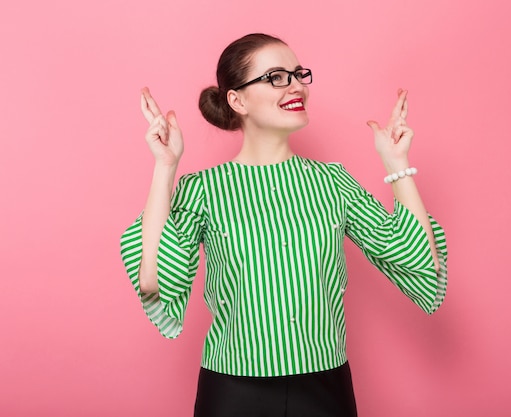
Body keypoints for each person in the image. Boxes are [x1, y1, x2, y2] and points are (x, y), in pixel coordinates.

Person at [120, 33, 447, 417]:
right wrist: (166, 165)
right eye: (276, 76)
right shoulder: (203, 189)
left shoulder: (333, 182)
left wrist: (397, 166)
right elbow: (154, 280)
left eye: (297, 74)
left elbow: (422, 261)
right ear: (237, 100)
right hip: (233, 390)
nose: (295, 86)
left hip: (326, 387)